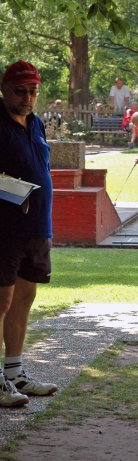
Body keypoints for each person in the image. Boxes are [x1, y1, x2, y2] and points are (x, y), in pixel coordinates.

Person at [0, 60, 58, 407]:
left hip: (36, 227)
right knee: (1, 302)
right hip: (5, 229)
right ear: (5, 89)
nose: (27, 98)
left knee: (24, 298)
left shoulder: (35, 123)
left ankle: (15, 373)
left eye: (33, 91)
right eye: (20, 91)